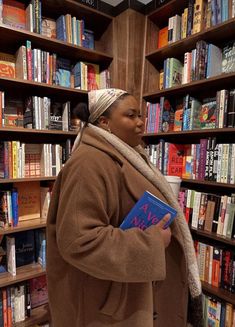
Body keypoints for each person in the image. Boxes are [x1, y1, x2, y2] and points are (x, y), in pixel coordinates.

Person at [46, 88, 203, 327]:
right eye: (131, 116)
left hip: (129, 289)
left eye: (140, 115)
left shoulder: (128, 155)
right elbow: (79, 241)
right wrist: (152, 242)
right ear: (104, 122)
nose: (141, 123)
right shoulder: (88, 163)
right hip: (108, 302)